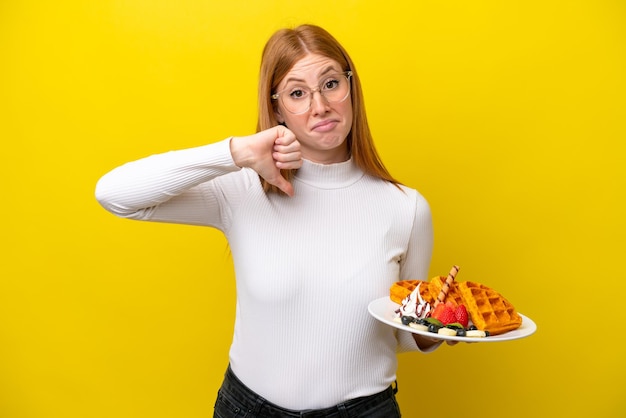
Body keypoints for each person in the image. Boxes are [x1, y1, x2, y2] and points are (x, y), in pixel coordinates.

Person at [96, 24, 442, 418]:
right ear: (276, 107)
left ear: (351, 88)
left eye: (331, 84)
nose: (320, 106)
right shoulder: (241, 190)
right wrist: (237, 152)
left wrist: (438, 333)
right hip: (249, 409)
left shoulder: (407, 208)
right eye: (297, 93)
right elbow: (115, 194)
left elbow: (399, 333)